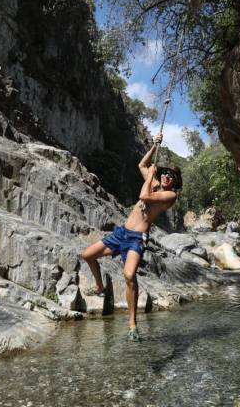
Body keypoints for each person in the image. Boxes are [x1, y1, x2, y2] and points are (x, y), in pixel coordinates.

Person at [81, 133, 182, 341]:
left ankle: (132, 324)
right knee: (87, 255)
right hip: (121, 233)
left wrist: (151, 177)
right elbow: (141, 165)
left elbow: (144, 196)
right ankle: (100, 287)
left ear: (174, 182)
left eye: (171, 176)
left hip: (137, 238)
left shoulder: (170, 196)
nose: (166, 177)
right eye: (166, 173)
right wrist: (154, 146)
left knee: (129, 276)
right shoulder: (153, 181)